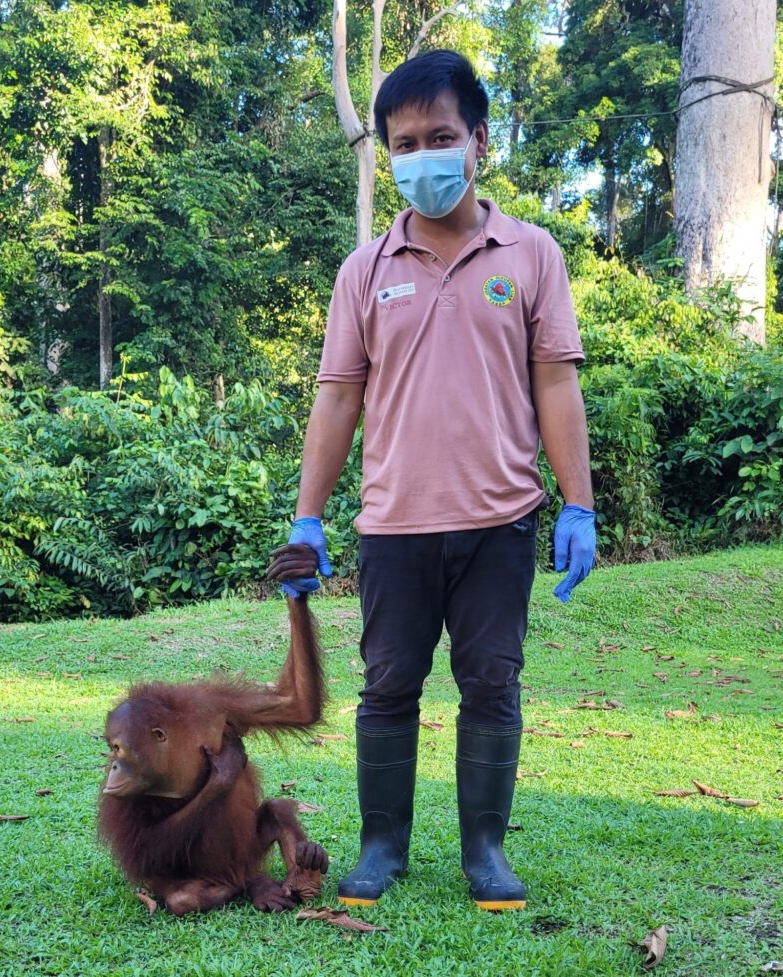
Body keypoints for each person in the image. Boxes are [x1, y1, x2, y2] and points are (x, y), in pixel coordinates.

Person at [269, 49, 596, 911]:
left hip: (500, 523)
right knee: (388, 686)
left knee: (491, 684)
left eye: (440, 136)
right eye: (405, 143)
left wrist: (580, 503)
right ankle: (383, 846)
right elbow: (338, 398)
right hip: (394, 526)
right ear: (388, 152)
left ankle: (486, 851)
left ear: (479, 140)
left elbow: (556, 385)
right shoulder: (365, 271)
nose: (423, 157)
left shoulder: (531, 255)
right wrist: (308, 518)